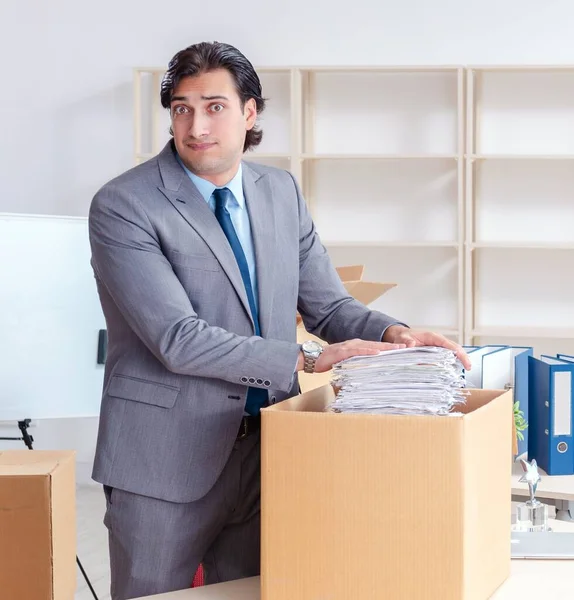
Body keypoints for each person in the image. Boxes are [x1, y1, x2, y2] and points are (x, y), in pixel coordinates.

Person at [88, 40, 471, 600]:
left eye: (215, 106)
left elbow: (330, 306)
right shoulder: (124, 204)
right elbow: (178, 338)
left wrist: (395, 334)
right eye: (181, 108)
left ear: (249, 112)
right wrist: (310, 357)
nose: (196, 125)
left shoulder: (280, 193)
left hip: (269, 446)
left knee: (253, 591)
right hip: (162, 458)